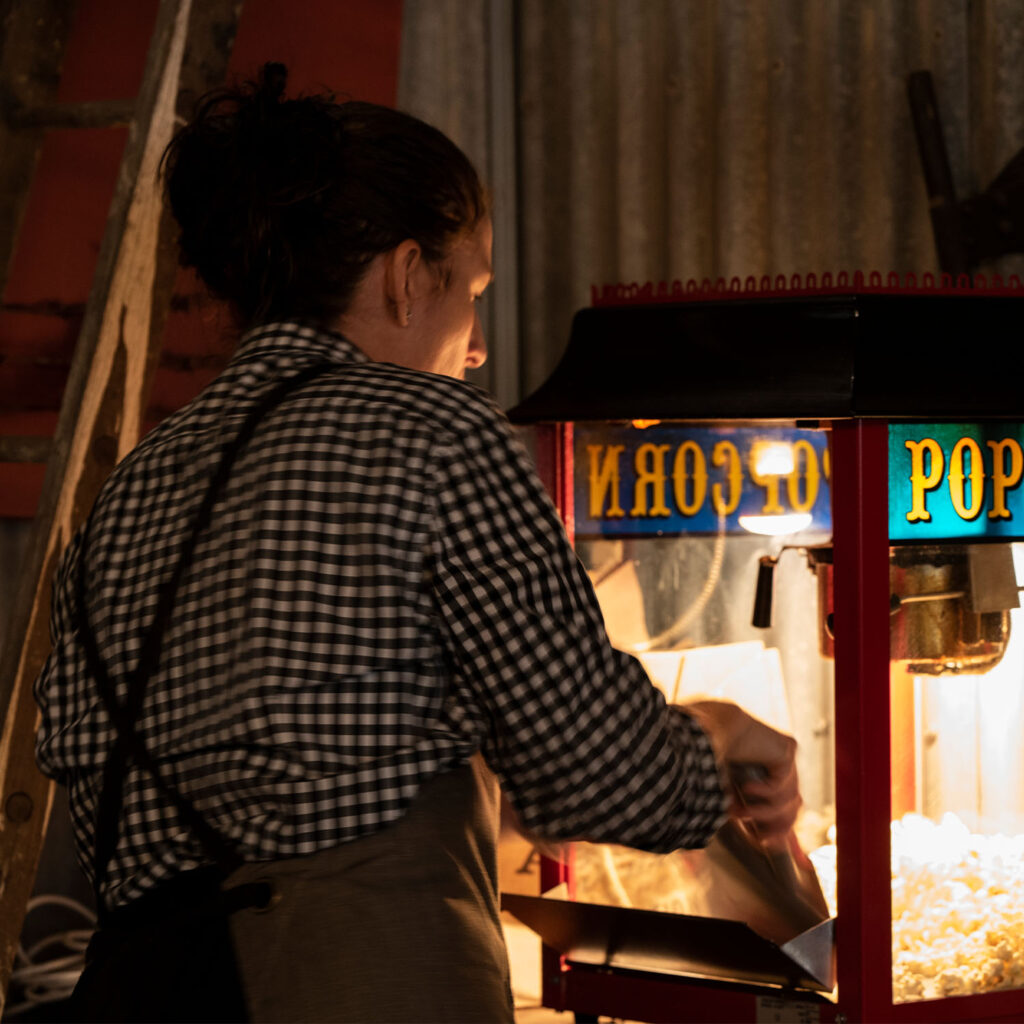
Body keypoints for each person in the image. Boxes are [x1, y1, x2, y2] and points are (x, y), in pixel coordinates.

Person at [34, 63, 800, 1023]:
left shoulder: (136, 483)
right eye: (471, 290)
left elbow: (139, 778)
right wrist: (719, 739)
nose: (475, 346)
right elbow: (599, 777)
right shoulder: (431, 431)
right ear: (404, 276)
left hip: (136, 991)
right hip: (354, 981)